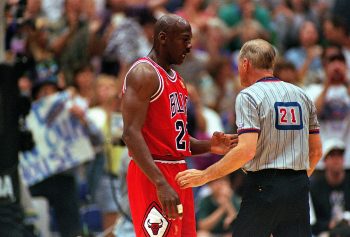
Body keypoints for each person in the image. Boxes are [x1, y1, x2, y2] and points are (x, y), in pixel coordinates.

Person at [176, 39, 323, 237]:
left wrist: (204, 176)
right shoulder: (302, 95)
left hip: (264, 185)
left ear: (245, 64)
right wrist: (295, 182)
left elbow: (246, 150)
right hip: (298, 186)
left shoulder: (249, 96)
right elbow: (315, 151)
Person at [121, 14, 237, 237]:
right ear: (163, 38)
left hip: (179, 171)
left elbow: (178, 140)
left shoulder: (177, 79)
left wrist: (210, 146)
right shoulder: (144, 73)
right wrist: (160, 183)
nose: (190, 46)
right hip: (153, 172)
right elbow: (130, 133)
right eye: (184, 39)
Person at [310, 138, 350, 236]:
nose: (336, 160)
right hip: (325, 232)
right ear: (325, 161)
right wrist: (329, 224)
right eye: (332, 156)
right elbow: (312, 222)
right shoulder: (314, 187)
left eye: (339, 155)